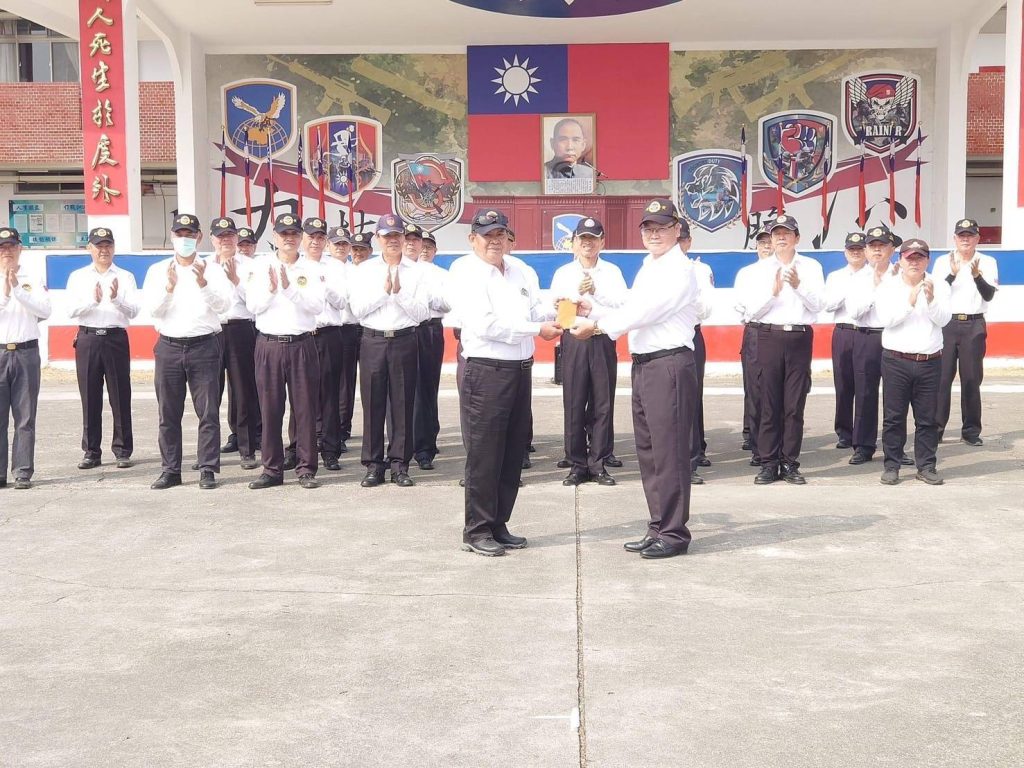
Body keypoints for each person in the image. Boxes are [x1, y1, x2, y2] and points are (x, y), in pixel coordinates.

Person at [571, 199, 700, 559]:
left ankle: (674, 533)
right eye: (648, 228)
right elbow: (631, 306)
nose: (654, 234)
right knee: (650, 451)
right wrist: (594, 308)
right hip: (646, 365)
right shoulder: (650, 266)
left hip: (669, 364)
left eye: (662, 227)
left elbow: (647, 311)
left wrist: (597, 326)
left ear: (677, 230)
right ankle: (658, 524)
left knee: (669, 452)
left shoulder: (680, 269)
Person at [448, 209, 561, 556]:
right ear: (473, 239)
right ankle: (477, 530)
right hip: (486, 371)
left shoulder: (519, 270)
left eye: (500, 234)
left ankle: (498, 523)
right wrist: (537, 330)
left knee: (512, 454)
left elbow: (535, 309)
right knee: (485, 455)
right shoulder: (465, 272)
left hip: (519, 370)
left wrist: (560, 309)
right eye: (487, 235)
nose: (494, 241)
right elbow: (485, 325)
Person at [143, 214, 232, 490]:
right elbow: (153, 310)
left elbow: (224, 307)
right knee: (168, 413)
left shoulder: (213, 270)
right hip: (169, 347)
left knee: (208, 412)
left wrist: (204, 285)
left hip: (204, 346)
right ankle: (170, 470)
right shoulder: (158, 270)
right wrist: (169, 289)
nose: (185, 239)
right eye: (180, 234)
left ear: (199, 237)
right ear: (172, 236)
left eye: (190, 234)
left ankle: (207, 468)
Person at [739, 214, 825, 485]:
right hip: (768, 336)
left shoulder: (811, 267)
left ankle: (790, 463)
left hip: (799, 337)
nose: (781, 238)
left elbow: (818, 305)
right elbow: (751, 312)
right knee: (768, 403)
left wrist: (798, 286)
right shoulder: (758, 270)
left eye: (786, 233)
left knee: (794, 405)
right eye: (776, 234)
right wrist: (773, 292)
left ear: (796, 238)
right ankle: (768, 462)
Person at [245, 213, 326, 489]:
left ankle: (306, 468)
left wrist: (290, 290)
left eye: (294, 233)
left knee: (305, 409)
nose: (289, 238)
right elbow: (253, 306)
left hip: (302, 344)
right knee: (270, 410)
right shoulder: (260, 266)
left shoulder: (311, 268)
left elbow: (316, 306)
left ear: (301, 237)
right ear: (274, 236)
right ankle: (272, 469)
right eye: (284, 234)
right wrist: (271, 289)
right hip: (268, 345)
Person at [349, 214, 429, 488]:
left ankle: (400, 465)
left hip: (405, 340)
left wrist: (400, 293)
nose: (392, 241)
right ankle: (373, 465)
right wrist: (384, 293)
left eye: (397, 236)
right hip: (373, 340)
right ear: (378, 239)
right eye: (387, 236)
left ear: (404, 238)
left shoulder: (416, 271)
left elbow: (422, 314)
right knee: (373, 404)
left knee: (403, 405)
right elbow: (357, 310)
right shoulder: (365, 270)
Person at [550, 217, 627, 486]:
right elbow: (559, 311)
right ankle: (577, 464)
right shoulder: (563, 273)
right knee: (574, 402)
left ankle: (598, 463)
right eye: (583, 239)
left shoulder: (612, 273)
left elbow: (622, 307)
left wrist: (596, 293)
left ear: (602, 242)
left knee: (602, 403)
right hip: (574, 341)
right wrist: (571, 300)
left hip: (601, 337)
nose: (587, 244)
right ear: (574, 243)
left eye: (593, 239)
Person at [874, 239, 951, 485]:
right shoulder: (888, 286)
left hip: (929, 361)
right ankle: (892, 465)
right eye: (910, 258)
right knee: (894, 418)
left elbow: (944, 320)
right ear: (901, 260)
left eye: (920, 257)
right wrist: (909, 302)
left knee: (927, 418)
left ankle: (926, 466)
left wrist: (930, 300)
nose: (914, 262)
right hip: (896, 360)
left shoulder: (939, 284)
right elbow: (886, 319)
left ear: (927, 260)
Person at [66, 226, 139, 470]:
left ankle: (123, 450)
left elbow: (134, 311)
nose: (103, 250)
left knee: (120, 395)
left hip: (115, 338)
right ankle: (91, 451)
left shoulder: (125, 276)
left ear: (114, 248)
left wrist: (117, 299)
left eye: (108, 245)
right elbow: (70, 310)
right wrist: (92, 301)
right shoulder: (78, 276)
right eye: (99, 246)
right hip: (88, 338)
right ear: (90, 248)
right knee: (90, 397)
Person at [283, 216, 347, 471]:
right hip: (302, 335)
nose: (316, 242)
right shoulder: (294, 266)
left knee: (330, 394)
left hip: (329, 334)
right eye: (311, 237)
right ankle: (296, 447)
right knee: (299, 395)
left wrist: (324, 285)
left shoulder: (335, 267)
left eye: (321, 237)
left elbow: (341, 302)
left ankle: (330, 449)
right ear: (303, 238)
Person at [931, 218, 998, 446]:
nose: (966, 239)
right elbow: (936, 294)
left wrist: (977, 276)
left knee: (971, 379)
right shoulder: (943, 262)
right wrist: (952, 274)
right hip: (947, 325)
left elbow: (989, 294)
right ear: (955, 238)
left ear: (978, 238)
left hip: (973, 324)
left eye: (970, 235)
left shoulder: (988, 261)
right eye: (962, 235)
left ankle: (970, 431)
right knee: (942, 379)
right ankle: (936, 429)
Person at [0, 225, 51, 489]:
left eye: (11, 246)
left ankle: (22, 471)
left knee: (25, 417)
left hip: (26, 352)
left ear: (20, 248)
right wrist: (6, 294)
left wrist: (18, 290)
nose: (6, 252)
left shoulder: (32, 278)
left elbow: (45, 310)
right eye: (2, 248)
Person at [845, 230, 899, 465]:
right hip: (866, 337)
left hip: (894, 336)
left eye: (882, 245)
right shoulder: (858, 278)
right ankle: (863, 446)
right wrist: (876, 290)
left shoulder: (901, 275)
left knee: (895, 397)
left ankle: (895, 448)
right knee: (865, 393)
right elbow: (854, 312)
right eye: (872, 246)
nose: (877, 250)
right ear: (865, 250)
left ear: (892, 249)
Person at [211, 216, 260, 470]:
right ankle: (208, 454)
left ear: (236, 238)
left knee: (243, 391)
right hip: (211, 331)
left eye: (229, 236)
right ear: (212, 240)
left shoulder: (251, 266)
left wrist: (236, 281)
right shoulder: (203, 266)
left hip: (241, 329)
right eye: (220, 237)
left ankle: (247, 449)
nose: (225, 240)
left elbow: (256, 301)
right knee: (209, 393)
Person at [824, 231, 870, 453]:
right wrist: (849, 290)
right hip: (843, 332)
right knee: (843, 384)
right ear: (845, 252)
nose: (856, 253)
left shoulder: (874, 274)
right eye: (852, 249)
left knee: (865, 386)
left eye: (860, 249)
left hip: (866, 333)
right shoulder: (836, 277)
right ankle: (844, 432)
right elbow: (828, 304)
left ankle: (863, 433)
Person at [734, 221, 774, 463]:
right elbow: (741, 305)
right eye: (762, 242)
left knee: (775, 391)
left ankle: (773, 442)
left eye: (770, 242)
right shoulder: (747, 273)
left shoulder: (785, 271)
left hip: (778, 333)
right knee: (754, 388)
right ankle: (755, 440)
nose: (766, 247)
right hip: (755, 332)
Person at [411, 227, 450, 471]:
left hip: (430, 329)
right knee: (404, 390)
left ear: (435, 251)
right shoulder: (402, 270)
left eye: (428, 246)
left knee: (427, 388)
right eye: (420, 245)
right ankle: (403, 445)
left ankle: (426, 446)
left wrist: (425, 298)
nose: (424, 250)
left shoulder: (441, 274)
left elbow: (447, 303)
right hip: (406, 330)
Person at [678, 223, 714, 483]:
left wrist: (683, 300)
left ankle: (692, 456)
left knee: (692, 396)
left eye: (681, 240)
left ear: (689, 242)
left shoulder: (700, 270)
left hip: (690, 333)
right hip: (664, 339)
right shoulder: (651, 267)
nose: (677, 245)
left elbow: (705, 308)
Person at [328, 227, 360, 455]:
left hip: (350, 328)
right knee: (327, 382)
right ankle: (325, 430)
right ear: (328, 245)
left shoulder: (355, 271)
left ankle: (342, 429)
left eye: (344, 244)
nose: (340, 247)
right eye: (336, 243)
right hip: (329, 330)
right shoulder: (321, 268)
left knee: (346, 383)